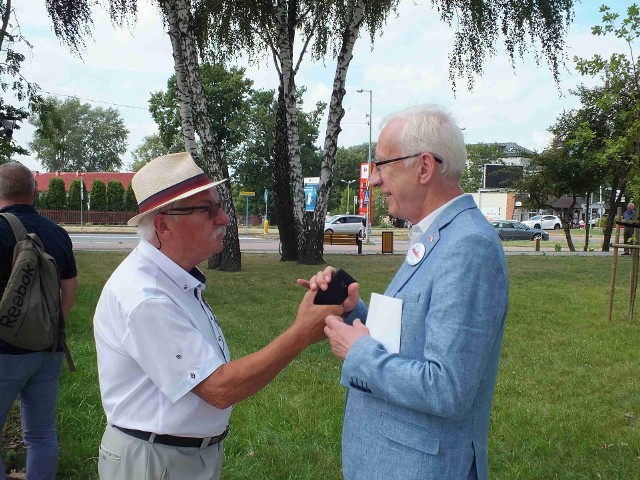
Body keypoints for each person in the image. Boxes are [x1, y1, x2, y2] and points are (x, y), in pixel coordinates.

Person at [93, 152, 340, 480]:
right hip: (155, 462)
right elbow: (218, 389)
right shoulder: (144, 296)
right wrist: (303, 332)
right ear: (165, 224)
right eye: (208, 210)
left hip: (175, 455)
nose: (224, 218)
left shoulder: (171, 279)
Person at [300, 105, 509, 480]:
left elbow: (447, 388)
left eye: (383, 165)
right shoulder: (439, 234)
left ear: (425, 167)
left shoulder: (468, 246)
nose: (375, 181)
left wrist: (358, 352)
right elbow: (411, 335)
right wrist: (354, 311)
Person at [0, 162, 78, 480]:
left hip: (3, 351)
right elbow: (69, 288)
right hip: (48, 350)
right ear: (34, 192)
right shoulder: (57, 233)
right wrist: (46, 327)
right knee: (42, 434)